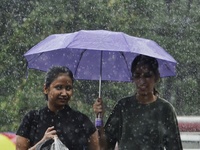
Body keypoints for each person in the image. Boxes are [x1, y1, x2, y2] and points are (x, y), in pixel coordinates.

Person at [93, 54, 183, 150]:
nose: (142, 81)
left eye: (147, 75)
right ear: (133, 78)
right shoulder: (123, 106)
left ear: (156, 77)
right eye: (137, 75)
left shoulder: (165, 109)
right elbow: (104, 147)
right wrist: (99, 120)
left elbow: (174, 147)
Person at [16, 66, 99, 150]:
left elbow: (99, 147)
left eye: (68, 88)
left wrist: (100, 117)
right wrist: (42, 142)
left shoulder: (81, 120)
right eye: (59, 87)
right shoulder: (32, 119)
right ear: (45, 89)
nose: (64, 93)